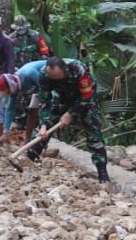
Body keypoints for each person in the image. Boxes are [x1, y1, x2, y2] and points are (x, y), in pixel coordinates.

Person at [27, 56, 111, 184]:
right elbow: (45, 101)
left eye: (57, 77)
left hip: (85, 99)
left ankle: (102, 173)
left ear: (64, 71)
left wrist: (70, 114)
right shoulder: (44, 74)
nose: (54, 80)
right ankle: (29, 159)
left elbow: (86, 96)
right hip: (62, 97)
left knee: (94, 131)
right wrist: (44, 124)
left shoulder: (79, 69)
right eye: (52, 78)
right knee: (42, 130)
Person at [0, 57, 48, 144]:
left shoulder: (28, 74)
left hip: (50, 79)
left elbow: (46, 88)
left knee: (46, 111)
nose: (8, 94)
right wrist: (5, 132)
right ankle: (27, 141)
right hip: (39, 86)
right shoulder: (15, 84)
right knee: (32, 110)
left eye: (7, 91)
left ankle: (42, 142)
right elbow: (10, 108)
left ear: (10, 86)